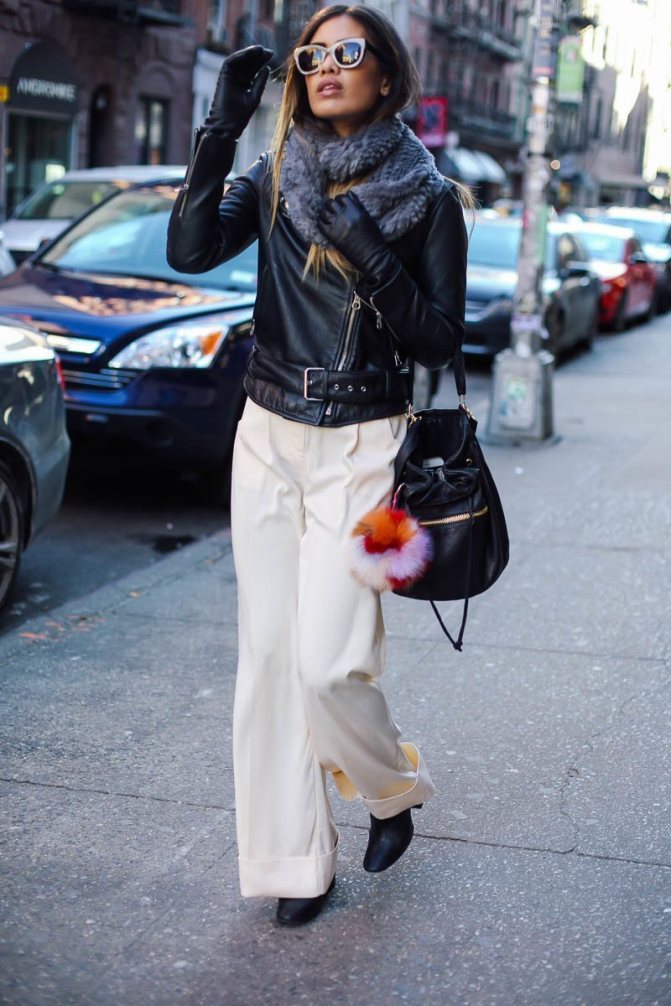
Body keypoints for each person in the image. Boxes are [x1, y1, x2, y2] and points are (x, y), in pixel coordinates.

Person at [167, 3, 468, 927]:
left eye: (347, 51)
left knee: (330, 665)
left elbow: (439, 340)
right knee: (269, 659)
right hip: (267, 432)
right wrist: (220, 127)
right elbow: (189, 250)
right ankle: (295, 863)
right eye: (311, 56)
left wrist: (372, 253)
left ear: (386, 74)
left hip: (365, 443)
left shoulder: (431, 198)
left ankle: (388, 789)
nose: (325, 66)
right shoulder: (272, 173)